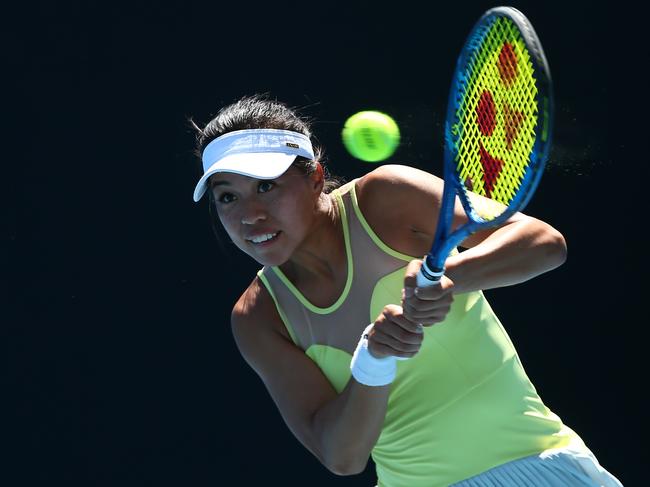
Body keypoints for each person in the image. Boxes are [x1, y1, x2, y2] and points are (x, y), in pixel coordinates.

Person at [190, 94, 623, 486]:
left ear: (316, 178)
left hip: (540, 465)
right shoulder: (257, 318)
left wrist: (454, 277)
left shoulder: (385, 199)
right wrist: (373, 362)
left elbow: (545, 243)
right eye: (228, 197)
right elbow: (342, 456)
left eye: (266, 186)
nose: (250, 216)